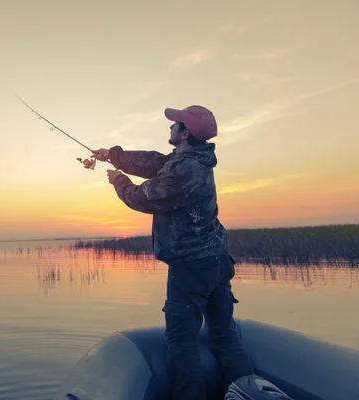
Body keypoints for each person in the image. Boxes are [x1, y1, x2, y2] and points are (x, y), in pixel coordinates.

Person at [93, 105, 254, 400]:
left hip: (191, 267)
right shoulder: (191, 161)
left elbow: (141, 197)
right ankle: (248, 393)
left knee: (181, 342)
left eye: (175, 125)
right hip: (217, 261)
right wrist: (114, 155)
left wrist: (119, 181)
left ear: (184, 133)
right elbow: (156, 162)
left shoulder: (184, 171)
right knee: (224, 336)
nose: (170, 128)